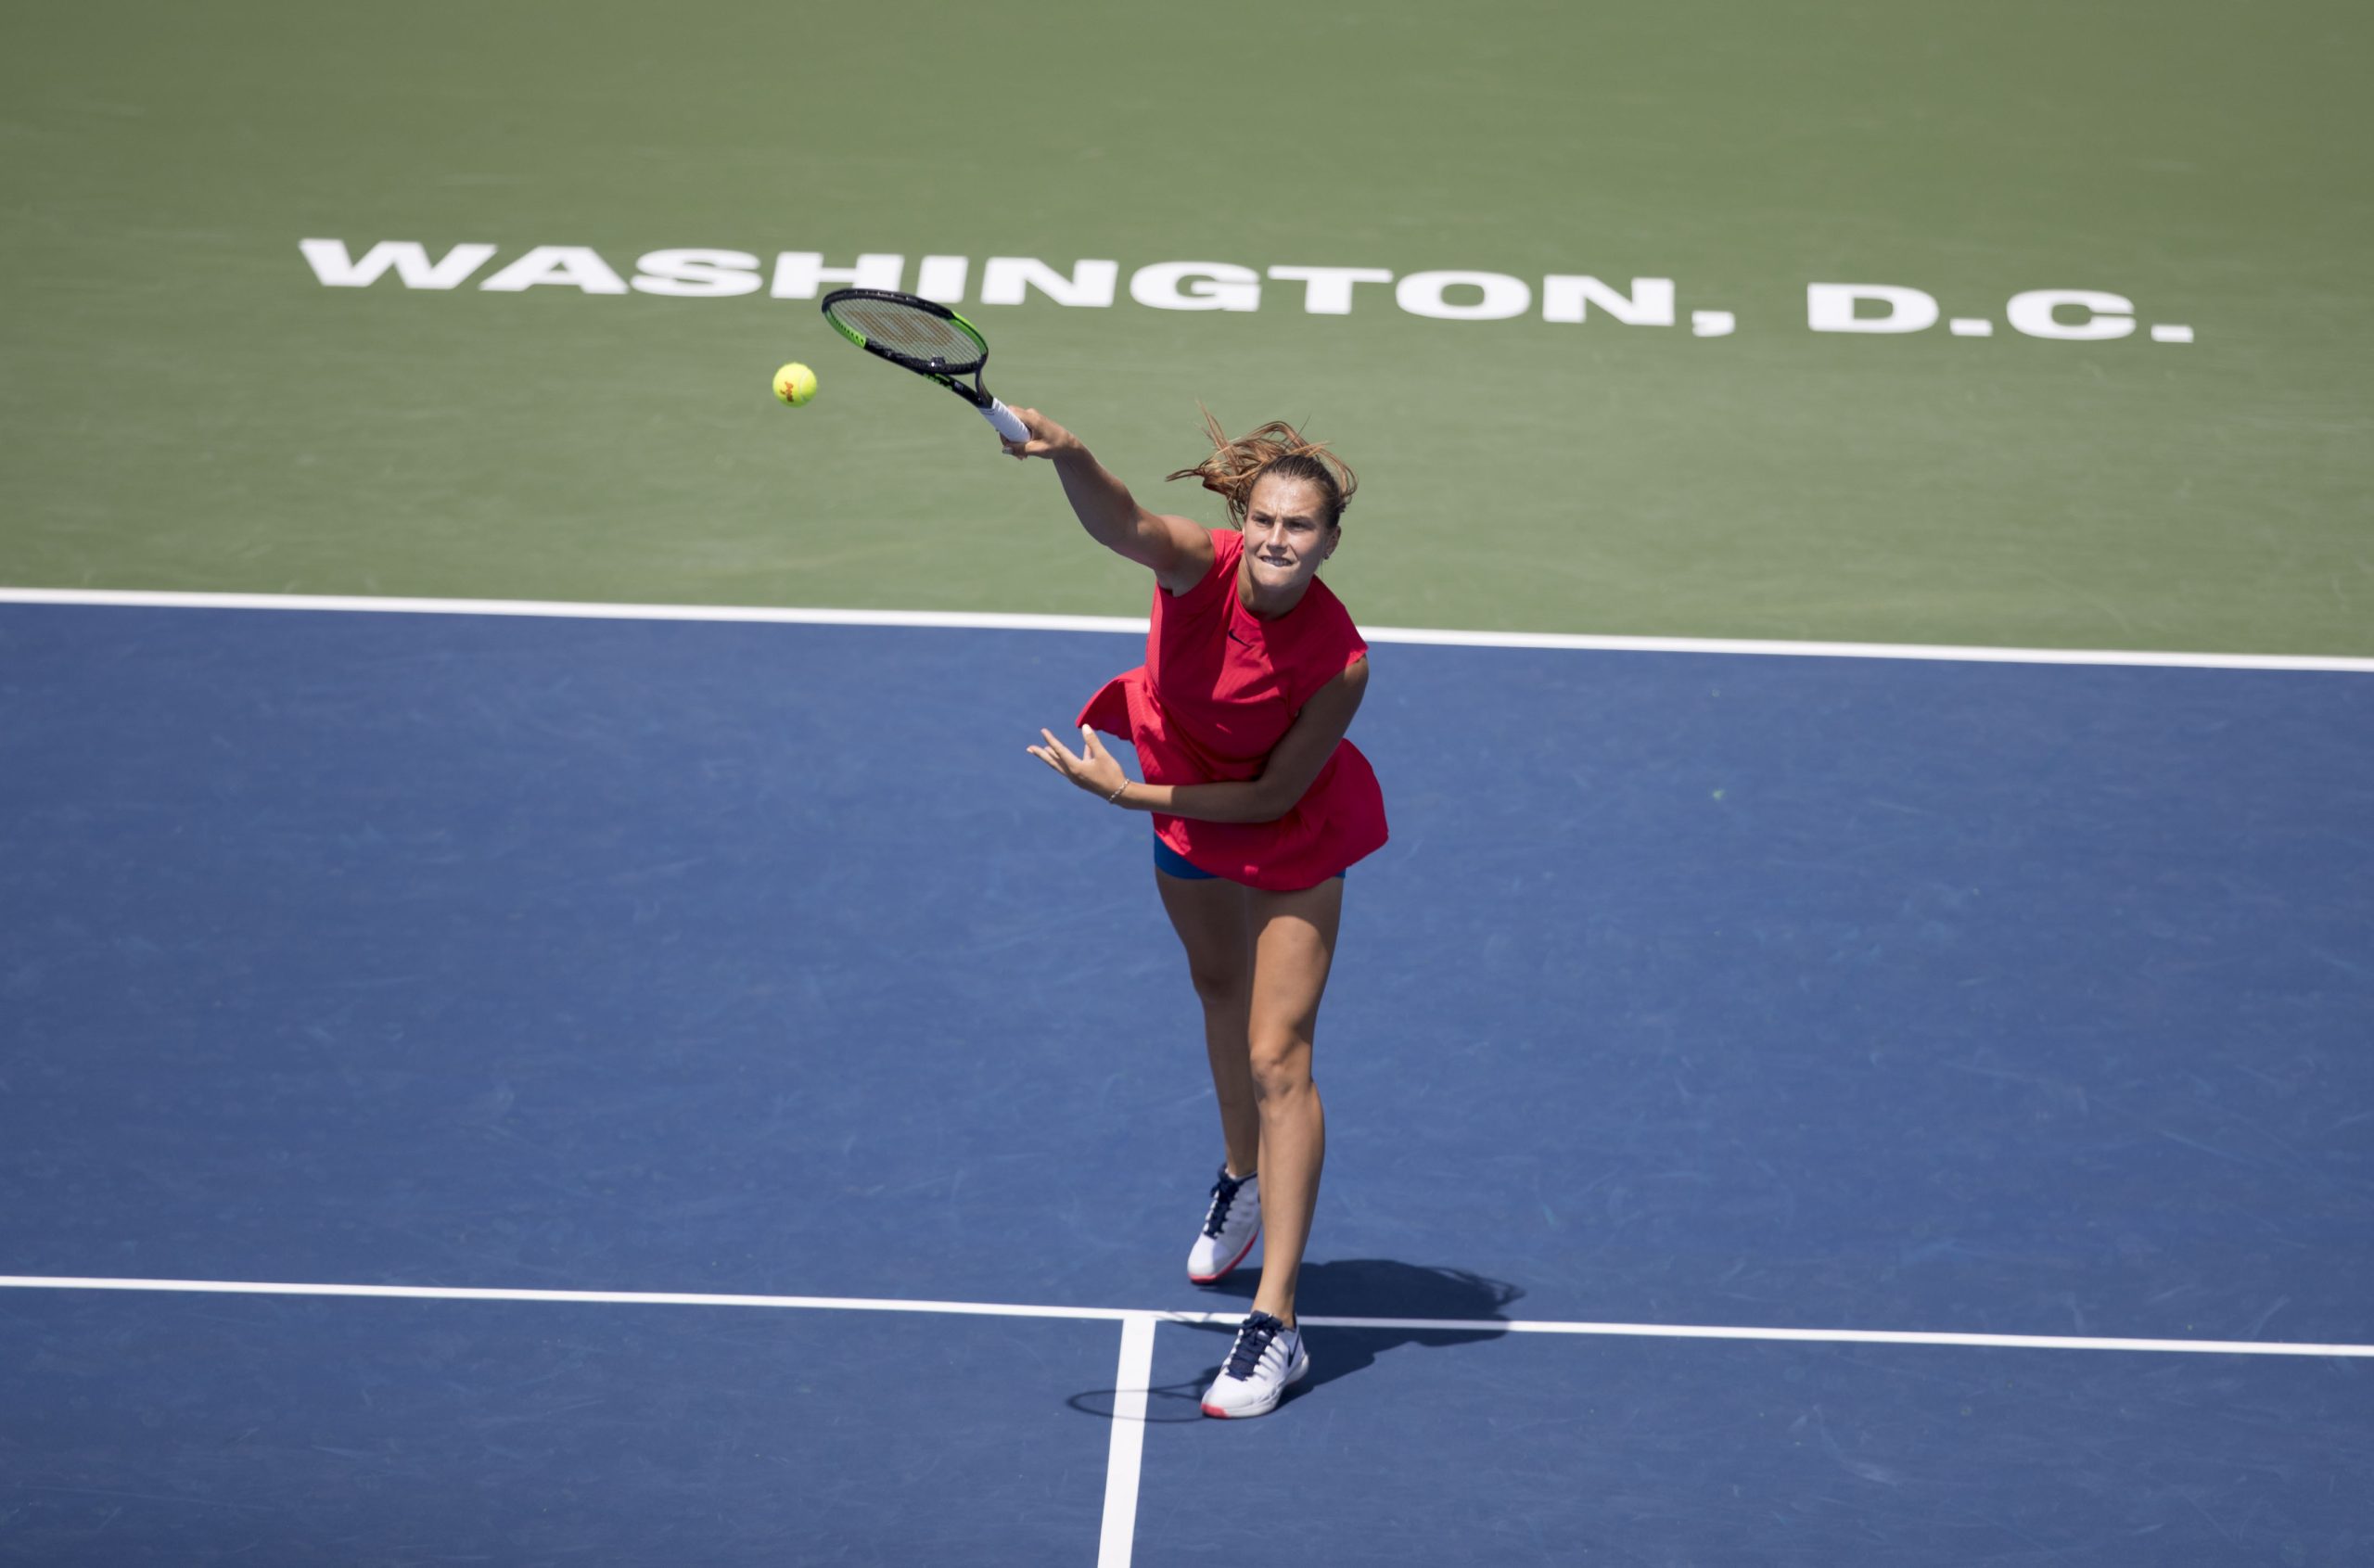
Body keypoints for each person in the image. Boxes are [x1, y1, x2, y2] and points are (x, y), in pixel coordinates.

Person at [1010, 407, 1387, 1419]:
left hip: (1286, 826)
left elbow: (1268, 798)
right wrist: (1072, 455)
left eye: (1299, 527)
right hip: (1188, 808)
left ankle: (1279, 1323)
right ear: (1243, 517)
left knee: (1280, 1054)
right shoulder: (1197, 566)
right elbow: (1124, 522)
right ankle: (1241, 1173)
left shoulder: (1340, 657)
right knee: (1216, 989)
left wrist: (1130, 796)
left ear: (1329, 541)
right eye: (1263, 519)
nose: (1274, 539)